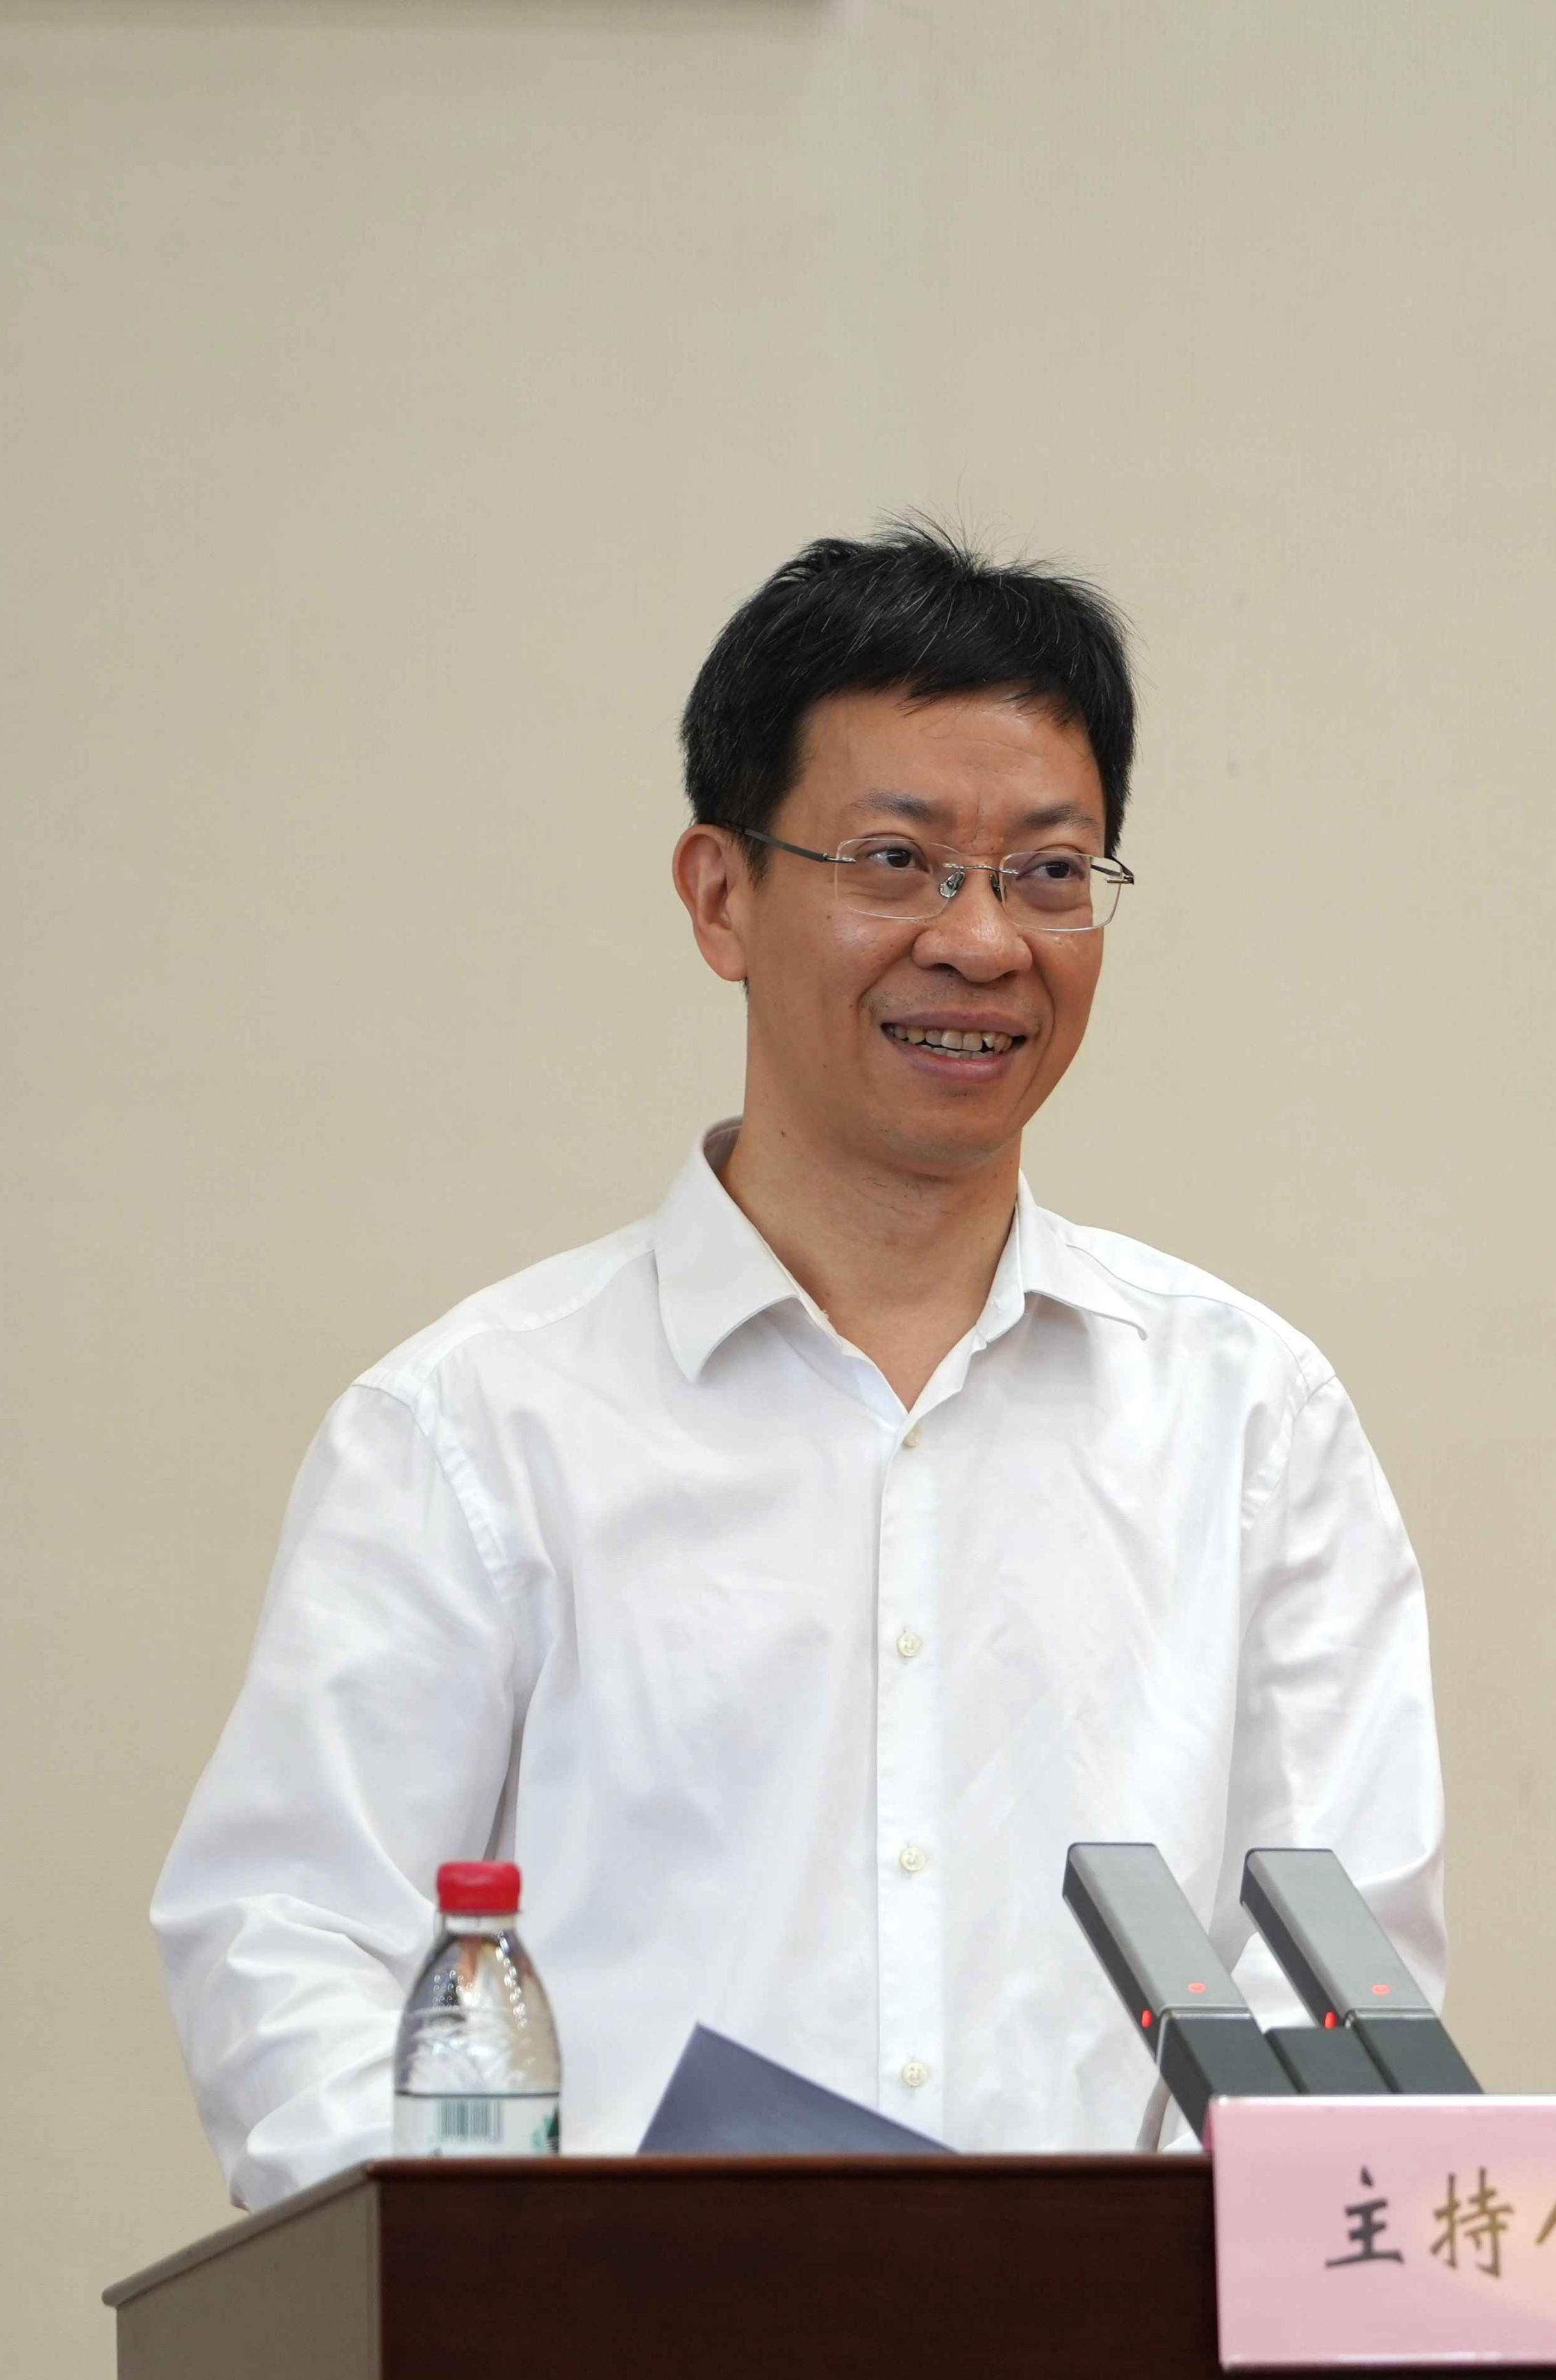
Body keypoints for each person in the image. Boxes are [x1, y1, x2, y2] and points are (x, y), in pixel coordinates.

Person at [153, 524, 1446, 2206]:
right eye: (896, 860)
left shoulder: (1249, 1417)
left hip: (1103, 2362)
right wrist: (514, 2305)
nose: (981, 941)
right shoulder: (477, 1426)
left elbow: (1337, 1988)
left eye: (1050, 872)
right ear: (721, 896)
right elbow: (293, 1945)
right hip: (622, 2352)